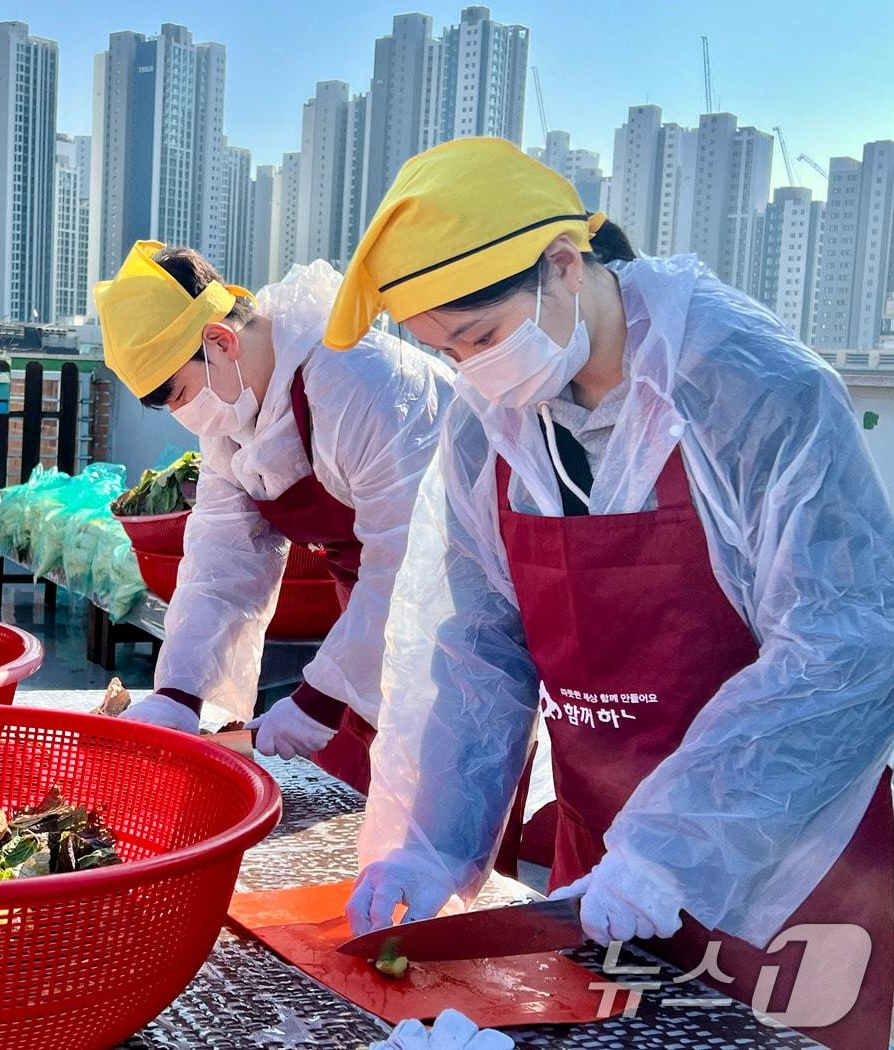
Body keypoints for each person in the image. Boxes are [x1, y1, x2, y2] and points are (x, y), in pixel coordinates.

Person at [329, 138, 893, 1049]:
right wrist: (437, 839)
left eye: (478, 338)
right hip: (603, 858)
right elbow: (482, 649)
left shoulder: (754, 389)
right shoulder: (493, 427)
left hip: (786, 855)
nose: (473, 371)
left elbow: (846, 647)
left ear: (563, 264)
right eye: (445, 350)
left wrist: (677, 843)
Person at [94, 241, 454, 793]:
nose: (183, 415)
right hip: (366, 614)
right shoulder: (233, 419)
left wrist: (322, 696)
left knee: (440, 796)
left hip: (457, 614)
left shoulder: (360, 383)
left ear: (220, 340)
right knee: (362, 794)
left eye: (180, 393)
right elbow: (221, 562)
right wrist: (178, 692)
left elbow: (408, 564)